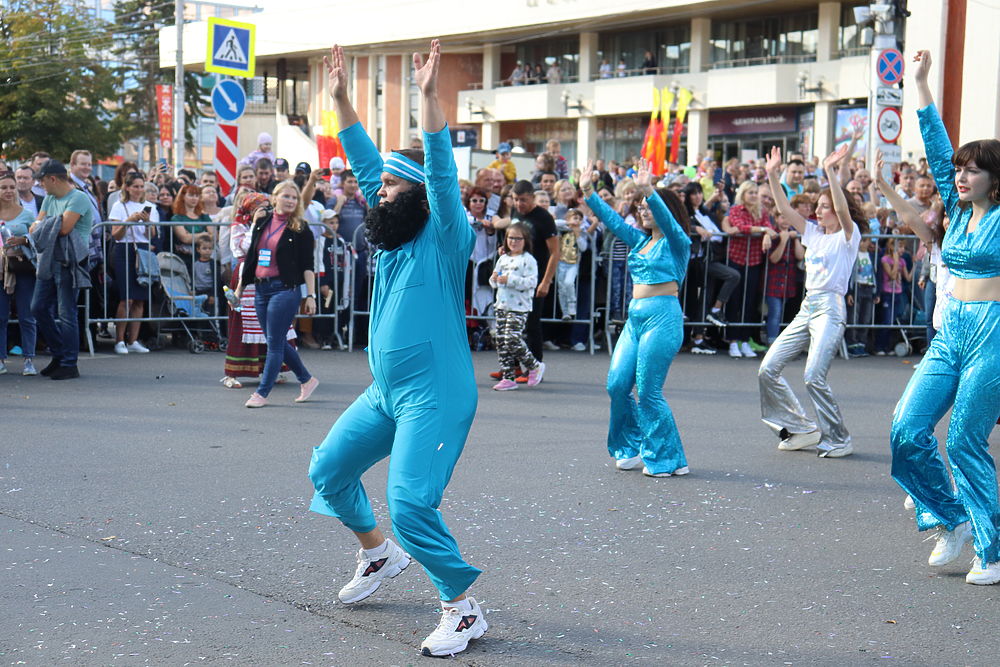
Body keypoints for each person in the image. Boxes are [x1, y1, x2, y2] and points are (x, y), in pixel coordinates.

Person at [308, 41, 487, 657]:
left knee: (409, 502)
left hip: (435, 395)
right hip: (386, 393)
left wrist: (428, 97)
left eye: (389, 186)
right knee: (328, 471)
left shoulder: (444, 236)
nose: (377, 193)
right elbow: (364, 161)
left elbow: (440, 171)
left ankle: (462, 609)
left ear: (416, 195)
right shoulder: (392, 237)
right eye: (378, 186)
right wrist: (340, 101)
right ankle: (378, 553)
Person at [890, 50, 1000, 585]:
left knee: (962, 442)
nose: (959, 175)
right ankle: (949, 517)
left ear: (994, 179)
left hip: (992, 337)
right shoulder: (956, 212)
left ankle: (991, 550)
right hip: (950, 332)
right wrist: (919, 83)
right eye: (958, 168)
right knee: (906, 429)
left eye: (971, 169)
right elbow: (936, 145)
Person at [582, 158, 692, 477]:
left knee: (647, 391)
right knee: (617, 385)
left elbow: (669, 223)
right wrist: (588, 191)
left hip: (663, 318)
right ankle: (630, 445)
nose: (642, 209)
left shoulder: (678, 243)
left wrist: (650, 190)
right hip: (635, 320)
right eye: (641, 205)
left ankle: (668, 458)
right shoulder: (641, 241)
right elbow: (614, 222)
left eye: (648, 205)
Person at [759, 144, 864, 458]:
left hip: (831, 309)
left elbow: (843, 211)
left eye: (824, 206)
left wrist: (830, 172)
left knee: (813, 376)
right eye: (817, 206)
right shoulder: (812, 233)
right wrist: (772, 175)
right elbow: (784, 208)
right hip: (808, 307)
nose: (818, 211)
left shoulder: (848, 236)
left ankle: (839, 438)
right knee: (767, 369)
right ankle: (801, 429)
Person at [235, 180, 318, 408]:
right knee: (276, 340)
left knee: (274, 344)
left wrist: (311, 296)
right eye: (286, 196)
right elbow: (252, 257)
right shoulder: (262, 221)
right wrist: (240, 288)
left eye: (294, 197)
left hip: (285, 290)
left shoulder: (301, 228)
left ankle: (261, 393)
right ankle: (306, 379)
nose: (291, 201)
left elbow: (308, 266)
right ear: (275, 197)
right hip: (260, 289)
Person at [221, 192, 295, 389]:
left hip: (268, 275)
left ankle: (270, 369)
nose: (267, 212)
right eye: (262, 208)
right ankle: (232, 373)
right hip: (246, 277)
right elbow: (243, 249)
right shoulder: (239, 226)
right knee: (243, 323)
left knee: (271, 322)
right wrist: (255, 225)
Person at [29, 161, 94, 380]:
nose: (40, 185)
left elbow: (64, 229)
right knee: (37, 307)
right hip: (49, 258)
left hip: (70, 260)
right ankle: (59, 354)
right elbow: (35, 227)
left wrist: (45, 224)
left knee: (66, 312)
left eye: (42, 181)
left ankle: (69, 363)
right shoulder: (50, 198)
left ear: (53, 179)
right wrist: (49, 223)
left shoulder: (78, 198)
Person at [722, 181, 776, 358]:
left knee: (749, 301)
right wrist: (763, 229)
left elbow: (771, 229)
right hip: (736, 258)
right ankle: (732, 341)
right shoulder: (736, 209)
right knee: (734, 301)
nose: (753, 195)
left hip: (753, 260)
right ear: (743, 194)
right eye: (750, 192)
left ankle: (744, 340)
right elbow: (740, 227)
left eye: (755, 192)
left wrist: (766, 233)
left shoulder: (762, 211)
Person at [107, 172, 158, 354]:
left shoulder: (150, 206)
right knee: (126, 298)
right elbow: (116, 234)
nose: (139, 189)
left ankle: (133, 340)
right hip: (124, 249)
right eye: (135, 186)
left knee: (139, 299)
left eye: (141, 186)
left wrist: (147, 222)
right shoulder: (119, 206)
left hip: (142, 250)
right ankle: (119, 340)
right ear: (127, 187)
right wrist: (129, 221)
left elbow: (151, 235)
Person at [489, 222, 543, 390]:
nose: (514, 242)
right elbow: (494, 280)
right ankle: (508, 377)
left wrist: (510, 280)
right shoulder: (503, 258)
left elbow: (531, 282)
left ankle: (534, 365)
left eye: (518, 239)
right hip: (502, 304)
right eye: (511, 238)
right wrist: (494, 278)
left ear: (525, 240)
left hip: (519, 306)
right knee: (501, 341)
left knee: (511, 339)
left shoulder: (528, 260)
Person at [0, 172, 38, 375]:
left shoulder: (27, 214)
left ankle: (29, 359)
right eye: (3, 187)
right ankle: (1, 359)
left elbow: (36, 239)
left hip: (22, 267)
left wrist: (22, 240)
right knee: (0, 316)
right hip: (0, 269)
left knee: (26, 315)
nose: (8, 191)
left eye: (11, 187)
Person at [762, 212, 804, 344]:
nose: (786, 221)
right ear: (776, 218)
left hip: (787, 282)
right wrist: (783, 241)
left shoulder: (794, 234)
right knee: (775, 312)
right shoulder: (772, 234)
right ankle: (772, 341)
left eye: (788, 218)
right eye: (782, 217)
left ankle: (778, 340)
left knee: (780, 313)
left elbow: (800, 256)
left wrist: (795, 239)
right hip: (773, 282)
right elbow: (774, 258)